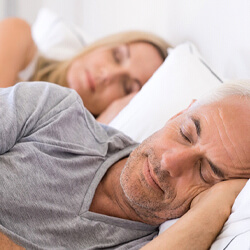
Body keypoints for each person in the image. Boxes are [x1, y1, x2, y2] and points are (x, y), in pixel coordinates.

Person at [0, 80, 249, 249]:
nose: (170, 162)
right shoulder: (56, 110)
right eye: (185, 133)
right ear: (179, 113)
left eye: (205, 172)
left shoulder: (162, 241)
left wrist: (217, 206)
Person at [0, 17, 169, 123]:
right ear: (103, 45)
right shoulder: (18, 36)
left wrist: (100, 130)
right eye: (116, 56)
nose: (108, 75)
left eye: (127, 87)